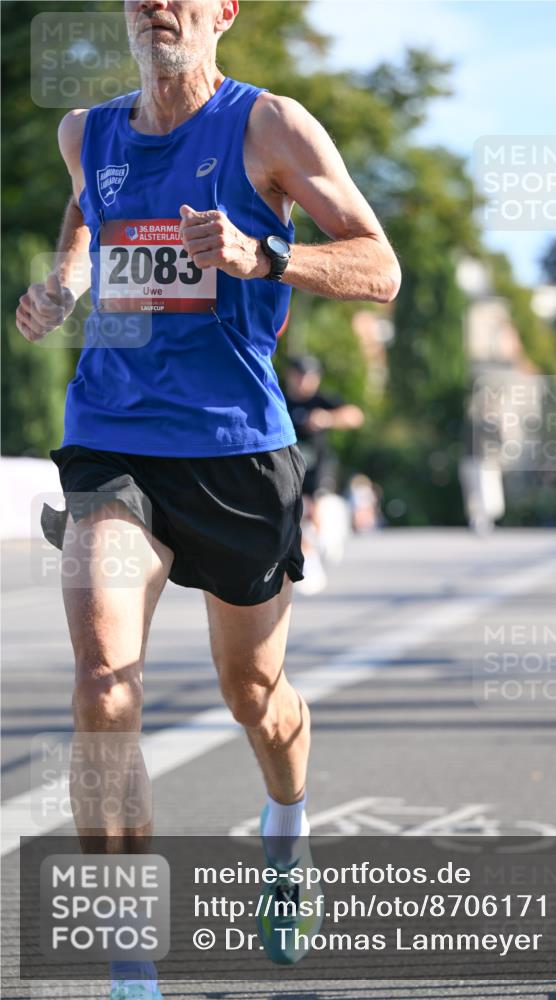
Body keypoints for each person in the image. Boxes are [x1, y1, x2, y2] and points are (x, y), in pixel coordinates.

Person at [16, 1, 401, 995]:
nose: (156, 5)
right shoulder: (85, 132)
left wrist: (264, 256)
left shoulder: (267, 126)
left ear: (222, 12)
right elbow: (83, 209)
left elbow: (380, 268)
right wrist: (63, 280)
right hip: (112, 438)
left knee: (254, 698)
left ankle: (286, 827)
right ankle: (131, 963)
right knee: (105, 685)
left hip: (236, 452)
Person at [283, 355, 365, 593]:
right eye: (300, 377)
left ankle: (321, 543)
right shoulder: (282, 399)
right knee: (297, 512)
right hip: (290, 465)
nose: (304, 382)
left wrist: (328, 418)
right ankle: (308, 555)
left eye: (310, 377)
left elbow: (354, 415)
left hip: (318, 467)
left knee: (316, 510)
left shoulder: (321, 400)